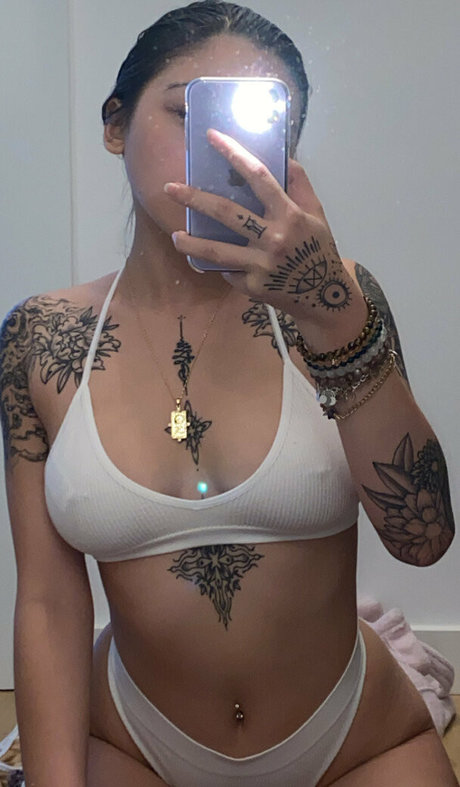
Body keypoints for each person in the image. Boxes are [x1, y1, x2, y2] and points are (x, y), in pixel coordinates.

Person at [0, 1, 457, 785]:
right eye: (188, 114)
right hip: (135, 741)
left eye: (259, 128)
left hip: (354, 740)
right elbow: (47, 599)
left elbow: (424, 537)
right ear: (114, 124)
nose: (221, 151)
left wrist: (336, 318)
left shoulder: (339, 300)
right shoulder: (41, 335)